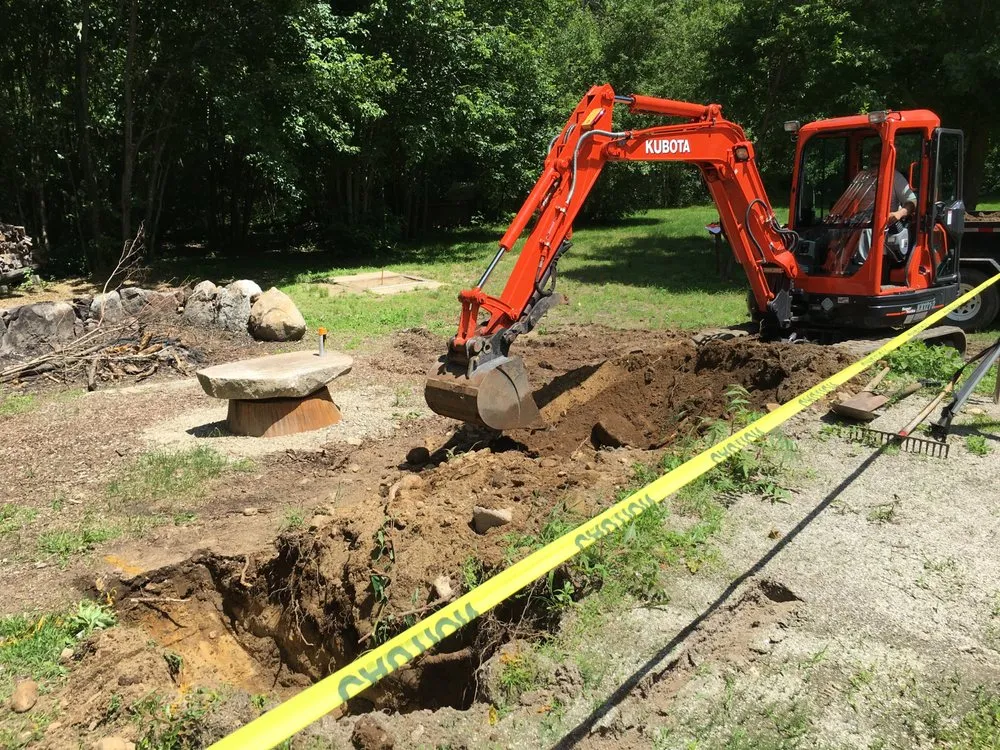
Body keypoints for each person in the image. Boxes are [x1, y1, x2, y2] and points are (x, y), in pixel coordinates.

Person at [853, 140, 917, 265]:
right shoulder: (862, 177)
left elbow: (912, 201)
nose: (875, 161)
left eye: (879, 157)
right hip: (859, 218)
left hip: (884, 221)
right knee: (835, 229)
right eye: (874, 157)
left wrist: (898, 214)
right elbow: (847, 201)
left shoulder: (895, 177)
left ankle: (863, 268)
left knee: (867, 230)